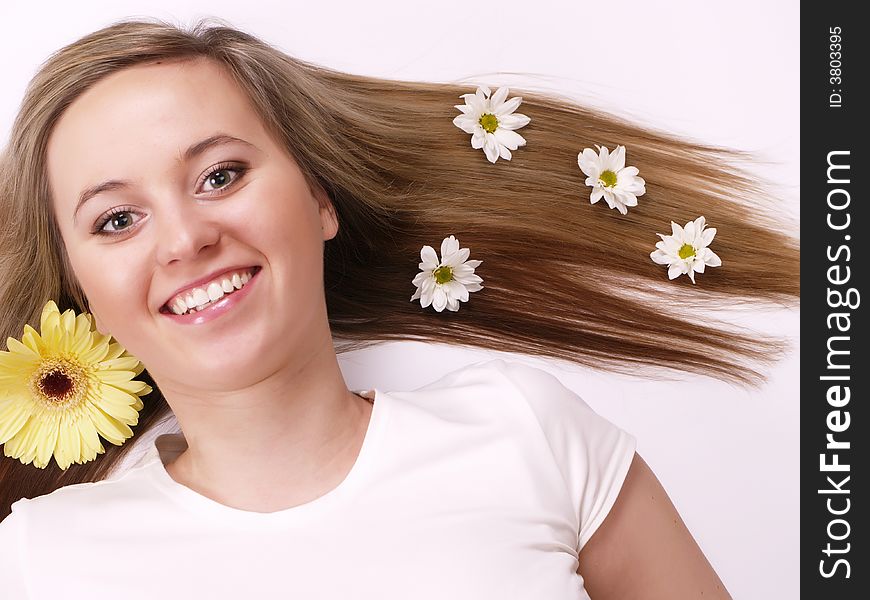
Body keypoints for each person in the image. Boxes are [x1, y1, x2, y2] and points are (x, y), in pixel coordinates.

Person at [0, 17, 798, 598]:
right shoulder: (42, 560)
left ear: (317, 200)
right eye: (116, 220)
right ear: (84, 301)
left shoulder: (524, 432)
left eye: (220, 175)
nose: (184, 238)